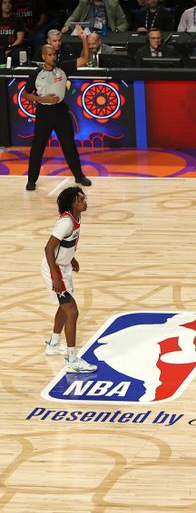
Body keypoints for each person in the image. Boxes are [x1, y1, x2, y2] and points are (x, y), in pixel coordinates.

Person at [23, 24, 92, 191]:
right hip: (44, 112)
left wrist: (83, 40)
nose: (53, 57)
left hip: (60, 111)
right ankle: (31, 180)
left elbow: (85, 59)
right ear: (43, 56)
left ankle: (79, 176)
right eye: (50, 55)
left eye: (54, 54)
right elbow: (26, 94)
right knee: (38, 147)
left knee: (69, 145)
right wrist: (43, 98)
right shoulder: (36, 74)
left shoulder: (63, 68)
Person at [41, 186, 97, 373]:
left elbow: (67, 242)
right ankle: (72, 359)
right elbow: (49, 249)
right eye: (81, 199)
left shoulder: (76, 218)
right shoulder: (65, 222)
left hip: (63, 267)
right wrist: (55, 276)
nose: (84, 201)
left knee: (65, 308)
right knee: (72, 311)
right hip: (55, 269)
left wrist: (71, 258)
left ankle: (54, 343)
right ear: (72, 203)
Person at [63, 0, 128, 33]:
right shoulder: (84, 2)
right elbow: (74, 17)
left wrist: (116, 31)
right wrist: (67, 26)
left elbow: (123, 23)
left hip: (105, 33)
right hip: (86, 33)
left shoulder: (113, 2)